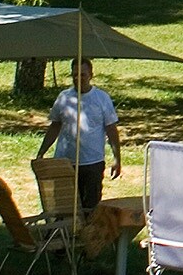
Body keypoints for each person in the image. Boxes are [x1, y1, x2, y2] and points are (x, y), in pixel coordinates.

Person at [36, 57, 121, 217]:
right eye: (74, 75)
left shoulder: (102, 98)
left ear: (91, 75)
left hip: (92, 163)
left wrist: (117, 158)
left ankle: (87, 238)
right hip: (65, 162)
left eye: (82, 75)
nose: (78, 78)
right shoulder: (64, 97)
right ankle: (65, 237)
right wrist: (42, 152)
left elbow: (111, 130)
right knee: (64, 206)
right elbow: (54, 126)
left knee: (90, 207)